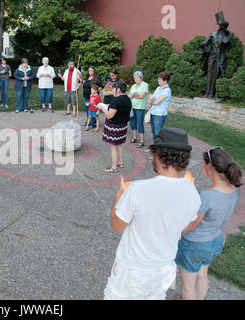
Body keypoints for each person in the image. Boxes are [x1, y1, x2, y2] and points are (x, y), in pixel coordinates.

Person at [104, 128, 201, 300]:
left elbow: (117, 226)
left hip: (132, 269)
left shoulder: (138, 189)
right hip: (163, 269)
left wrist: (118, 197)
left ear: (158, 155)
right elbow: (187, 227)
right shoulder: (192, 191)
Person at [175, 147, 242, 300]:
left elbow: (191, 225)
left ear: (210, 167)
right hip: (215, 241)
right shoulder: (233, 189)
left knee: (188, 285)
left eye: (203, 163)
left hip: (194, 245)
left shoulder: (207, 196)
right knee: (202, 276)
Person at [100, 81, 132, 173]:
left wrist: (102, 108)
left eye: (114, 88)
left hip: (114, 126)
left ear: (118, 90)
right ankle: (120, 163)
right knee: (119, 145)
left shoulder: (116, 100)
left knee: (113, 147)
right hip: (123, 126)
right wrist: (109, 106)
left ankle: (114, 167)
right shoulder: (127, 99)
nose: (112, 90)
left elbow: (110, 115)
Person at [128, 71, 149, 148]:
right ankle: (134, 138)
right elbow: (130, 96)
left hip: (140, 107)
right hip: (132, 107)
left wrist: (135, 95)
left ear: (141, 78)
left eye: (137, 77)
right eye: (134, 78)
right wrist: (133, 95)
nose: (135, 79)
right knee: (132, 122)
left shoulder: (145, 85)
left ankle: (142, 141)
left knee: (140, 123)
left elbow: (142, 96)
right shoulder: (133, 86)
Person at [148, 71, 171, 140]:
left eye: (160, 79)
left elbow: (156, 102)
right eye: (159, 78)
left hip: (160, 114)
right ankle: (155, 149)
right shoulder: (158, 88)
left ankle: (159, 149)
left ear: (165, 81)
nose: (158, 80)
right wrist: (152, 100)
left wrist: (152, 100)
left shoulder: (167, 90)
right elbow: (151, 99)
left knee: (158, 133)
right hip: (153, 112)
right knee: (153, 132)